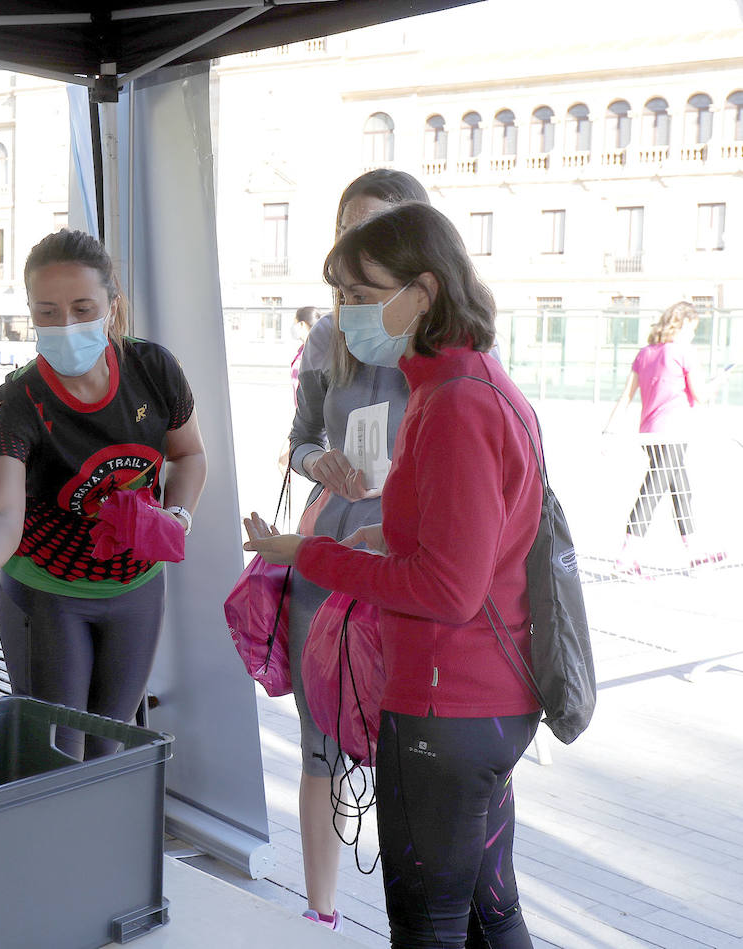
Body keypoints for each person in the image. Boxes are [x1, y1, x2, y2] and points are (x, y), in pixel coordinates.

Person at [245, 201, 544, 948]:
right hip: (480, 702)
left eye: (362, 294)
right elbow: (474, 540)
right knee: (488, 911)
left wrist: (305, 554)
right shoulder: (462, 381)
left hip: (449, 705)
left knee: (430, 928)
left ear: (426, 290)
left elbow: (449, 590)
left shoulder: (453, 404)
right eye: (341, 295)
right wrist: (394, 533)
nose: (347, 314)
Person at [0, 229, 207, 760]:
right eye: (48, 312)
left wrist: (178, 515)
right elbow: (4, 512)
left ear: (112, 306)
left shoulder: (154, 369)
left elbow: (189, 455)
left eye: (83, 308)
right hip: (49, 595)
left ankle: (101, 844)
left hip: (136, 589)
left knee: (112, 748)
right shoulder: (17, 401)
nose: (66, 325)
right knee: (57, 754)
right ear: (30, 313)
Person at [281, 168, 430, 933]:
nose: (359, 250)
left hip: (409, 565)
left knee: (408, 750)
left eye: (377, 232)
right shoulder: (325, 334)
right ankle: (320, 914)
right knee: (320, 745)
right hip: (329, 553)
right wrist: (318, 463)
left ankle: (418, 917)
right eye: (349, 231)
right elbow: (302, 438)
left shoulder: (445, 344)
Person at [603, 301, 721, 571]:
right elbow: (701, 395)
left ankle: (693, 550)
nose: (692, 335)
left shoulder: (644, 354)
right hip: (673, 433)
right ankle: (626, 555)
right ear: (681, 325)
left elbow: (626, 396)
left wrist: (608, 431)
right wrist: (715, 385)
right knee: (653, 489)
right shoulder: (682, 353)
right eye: (691, 329)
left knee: (681, 488)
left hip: (649, 434)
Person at [288, 304, 321, 394]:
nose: (293, 327)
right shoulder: (303, 351)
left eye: (295, 323)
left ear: (302, 324)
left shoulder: (314, 354)